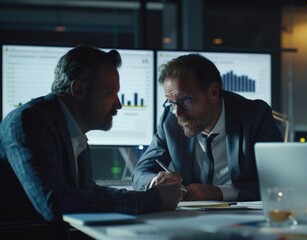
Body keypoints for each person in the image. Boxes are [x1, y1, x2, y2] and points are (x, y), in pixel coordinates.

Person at [0, 44, 182, 224]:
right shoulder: (28, 122)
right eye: (110, 93)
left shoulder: (71, 129)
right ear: (78, 90)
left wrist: (152, 194)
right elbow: (54, 202)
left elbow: (88, 191)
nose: (119, 104)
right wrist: (153, 200)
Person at [132, 53, 283, 201]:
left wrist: (219, 192)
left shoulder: (255, 117)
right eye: (171, 103)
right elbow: (141, 172)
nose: (177, 113)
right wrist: (156, 182)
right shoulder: (169, 121)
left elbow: (279, 181)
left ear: (213, 92)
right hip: (189, 218)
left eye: (185, 100)